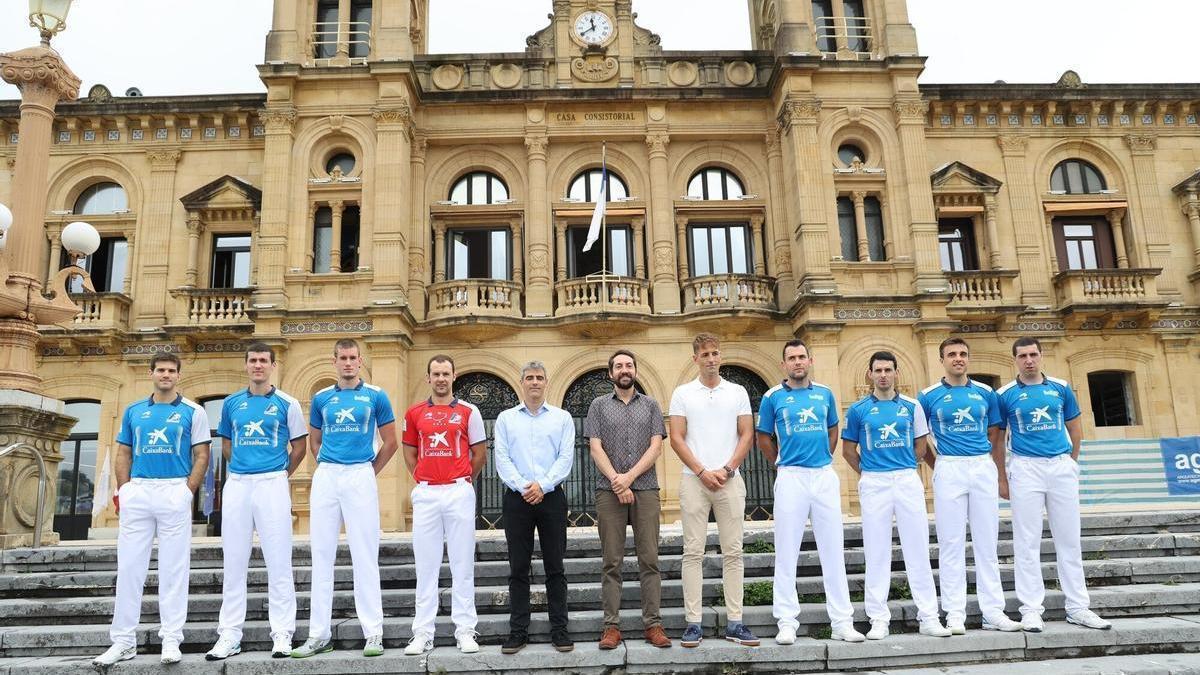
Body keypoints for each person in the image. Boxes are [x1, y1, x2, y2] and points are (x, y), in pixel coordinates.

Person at [93, 353, 211, 668]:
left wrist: (188, 491)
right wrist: (125, 489)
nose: (166, 375)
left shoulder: (193, 411)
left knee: (174, 569)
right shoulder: (134, 411)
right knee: (130, 568)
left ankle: (171, 638)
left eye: (172, 370)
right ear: (151, 373)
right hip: (140, 491)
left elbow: (202, 454)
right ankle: (122, 641)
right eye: (161, 370)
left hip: (174, 490)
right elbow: (124, 452)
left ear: (178, 376)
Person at [291, 339, 398, 659]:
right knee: (321, 554)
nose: (348, 363)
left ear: (361, 360)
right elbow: (315, 441)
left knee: (364, 553)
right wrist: (329, 465)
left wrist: (368, 471)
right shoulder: (322, 397)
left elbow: (391, 442)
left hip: (360, 474)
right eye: (343, 358)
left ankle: (373, 632)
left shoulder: (376, 395)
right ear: (334, 361)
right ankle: (318, 634)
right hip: (328, 475)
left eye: (353, 357)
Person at [996, 337, 1111, 632]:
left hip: (1059, 465)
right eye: (1023, 356)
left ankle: (1078, 607)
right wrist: (1002, 476)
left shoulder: (1060, 388)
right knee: (1027, 541)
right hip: (1025, 467)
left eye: (1033, 354)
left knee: (1069, 539)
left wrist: (1071, 461)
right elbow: (997, 438)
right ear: (1015, 360)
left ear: (1041, 356)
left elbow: (1074, 428)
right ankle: (1031, 609)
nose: (1029, 360)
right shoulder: (1005, 394)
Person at [757, 339, 865, 645]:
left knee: (833, 550)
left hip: (822, 476)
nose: (797, 362)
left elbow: (833, 429)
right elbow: (763, 437)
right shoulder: (772, 397)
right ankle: (787, 621)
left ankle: (842, 621)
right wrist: (780, 463)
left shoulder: (825, 393)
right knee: (787, 551)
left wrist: (824, 456)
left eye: (802, 356)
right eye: (791, 358)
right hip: (791, 476)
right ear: (784, 364)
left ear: (810, 360)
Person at [206, 343, 309, 661]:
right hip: (238, 484)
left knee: (279, 561)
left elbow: (300, 446)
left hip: (272, 483)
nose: (258, 365)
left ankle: (282, 633)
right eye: (253, 360)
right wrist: (242, 468)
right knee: (234, 561)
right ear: (246, 365)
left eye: (264, 360)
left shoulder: (287, 403)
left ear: (273, 366)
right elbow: (226, 443)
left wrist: (280, 474)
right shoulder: (232, 403)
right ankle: (229, 635)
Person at [842, 351, 951, 640]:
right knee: (876, 552)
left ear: (896, 373)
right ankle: (878, 619)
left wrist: (904, 464)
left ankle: (928, 616)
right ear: (869, 374)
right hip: (874, 482)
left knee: (917, 549)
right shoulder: (858, 409)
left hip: (906, 479)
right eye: (877, 370)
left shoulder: (912, 407)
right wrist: (867, 472)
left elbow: (921, 446)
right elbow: (847, 450)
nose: (883, 375)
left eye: (888, 370)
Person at [918, 337, 1022, 634]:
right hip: (948, 465)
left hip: (980, 466)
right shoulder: (928, 395)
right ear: (942, 360)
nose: (958, 358)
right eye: (951, 354)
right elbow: (920, 436)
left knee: (986, 541)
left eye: (963, 354)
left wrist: (991, 467)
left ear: (968, 358)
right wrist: (939, 465)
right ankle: (954, 613)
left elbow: (995, 433)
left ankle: (993, 612)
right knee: (951, 543)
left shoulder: (986, 393)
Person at [669, 333, 757, 647]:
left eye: (715, 353)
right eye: (705, 354)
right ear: (695, 358)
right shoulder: (682, 393)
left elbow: (746, 434)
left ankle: (735, 622)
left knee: (734, 552)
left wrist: (727, 468)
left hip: (730, 479)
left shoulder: (737, 392)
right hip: (694, 480)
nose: (711, 359)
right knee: (692, 553)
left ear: (721, 356)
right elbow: (677, 437)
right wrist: (702, 471)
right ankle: (693, 623)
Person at [585, 349, 672, 650]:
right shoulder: (597, 406)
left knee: (649, 559)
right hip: (608, 490)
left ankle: (654, 624)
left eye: (629, 365)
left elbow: (656, 447)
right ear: (610, 374)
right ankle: (611, 627)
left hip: (645, 489)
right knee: (612, 561)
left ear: (635, 371)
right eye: (619, 366)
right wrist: (616, 481)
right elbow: (595, 448)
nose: (625, 369)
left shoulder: (650, 405)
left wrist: (629, 478)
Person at [402, 354, 487, 656]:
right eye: (435, 373)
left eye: (445, 373)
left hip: (458, 491)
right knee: (426, 566)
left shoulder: (469, 411)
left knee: (462, 564)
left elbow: (479, 453)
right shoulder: (414, 413)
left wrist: (462, 479)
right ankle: (422, 633)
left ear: (454, 376)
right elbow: (410, 452)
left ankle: (465, 630)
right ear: (428, 378)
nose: (440, 378)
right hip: (426, 494)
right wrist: (424, 477)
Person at [493, 361, 575, 654]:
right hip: (517, 498)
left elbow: (565, 458)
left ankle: (560, 631)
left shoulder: (563, 418)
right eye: (530, 378)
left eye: (540, 377)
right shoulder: (505, 419)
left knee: (555, 566)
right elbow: (501, 457)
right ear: (522, 382)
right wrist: (524, 486)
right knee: (518, 568)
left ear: (546, 382)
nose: (535, 382)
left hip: (552, 497)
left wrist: (543, 485)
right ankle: (518, 632)